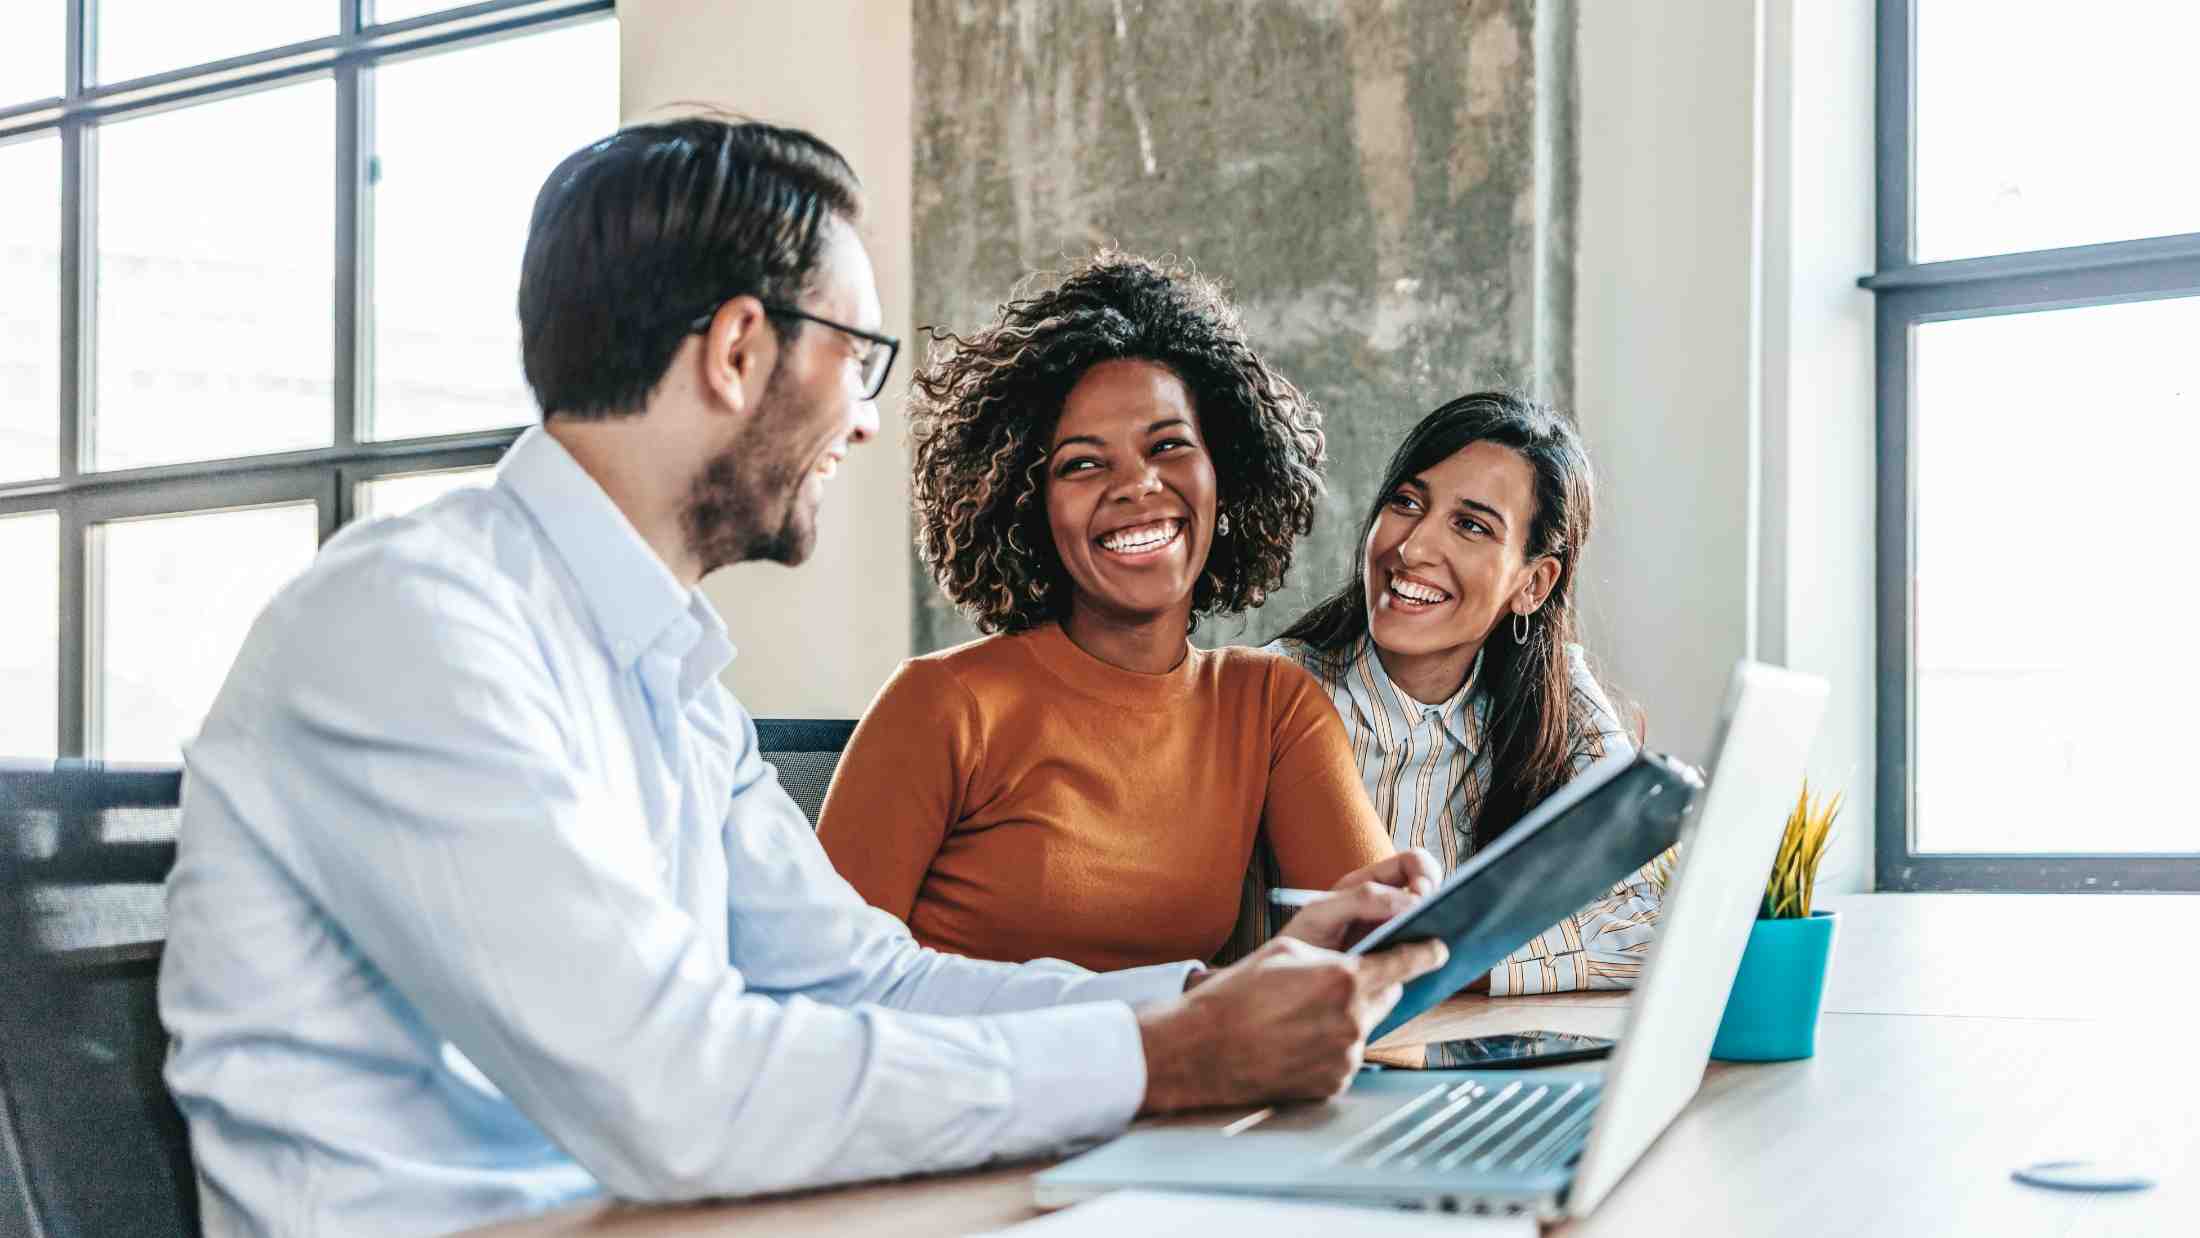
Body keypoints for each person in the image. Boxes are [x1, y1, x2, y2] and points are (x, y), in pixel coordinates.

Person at [156, 117, 1445, 1237]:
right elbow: (673, 1089)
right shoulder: (412, 624)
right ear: (735, 350)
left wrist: (1215, 998)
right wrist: (1162, 1059)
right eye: (857, 357)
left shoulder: (666, 678)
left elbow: (865, 978)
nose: (871, 417)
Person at [815, 252, 1397, 971]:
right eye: (1084, 464)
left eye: (1169, 446)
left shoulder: (1271, 707)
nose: (1138, 485)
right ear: (1029, 507)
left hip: (1184, 1080)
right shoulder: (942, 706)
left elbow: (1379, 964)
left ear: (1228, 471)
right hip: (976, 1079)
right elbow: (821, 993)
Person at [1268, 392, 1666, 995]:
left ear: (1533, 584)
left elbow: (1655, 918)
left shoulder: (1559, 699)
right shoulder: (1278, 692)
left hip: (1480, 1053)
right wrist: (1487, 947)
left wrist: (1447, 961)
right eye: (1407, 503)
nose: (1413, 548)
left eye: (1471, 526)